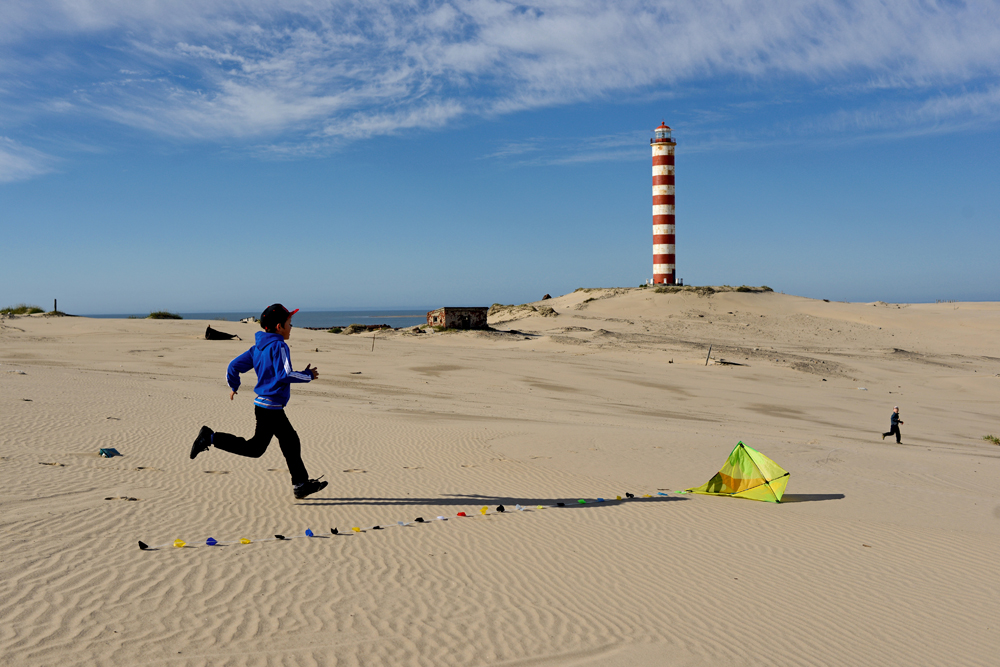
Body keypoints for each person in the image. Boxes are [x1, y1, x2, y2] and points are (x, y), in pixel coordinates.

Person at [190, 304, 328, 499]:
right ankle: (210, 437)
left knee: (289, 441)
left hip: (266, 406)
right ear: (279, 326)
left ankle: (300, 484)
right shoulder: (279, 345)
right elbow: (284, 374)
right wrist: (307, 375)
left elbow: (233, 366)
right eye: (290, 323)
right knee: (256, 448)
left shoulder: (258, 347)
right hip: (270, 408)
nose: (291, 327)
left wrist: (234, 386)